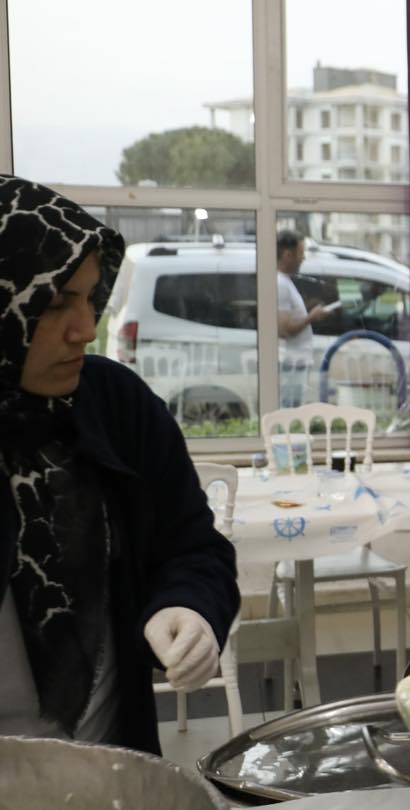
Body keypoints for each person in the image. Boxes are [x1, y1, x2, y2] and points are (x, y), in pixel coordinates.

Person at [0, 176, 240, 754]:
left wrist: (188, 605)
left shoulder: (115, 406)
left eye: (89, 298)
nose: (86, 328)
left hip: (108, 763)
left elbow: (194, 546)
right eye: (56, 303)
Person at [275, 229, 331, 407]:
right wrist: (311, 317)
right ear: (287, 254)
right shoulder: (280, 284)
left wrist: (308, 310)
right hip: (291, 363)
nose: (303, 258)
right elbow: (284, 329)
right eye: (301, 253)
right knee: (289, 413)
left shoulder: (285, 281)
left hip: (296, 362)